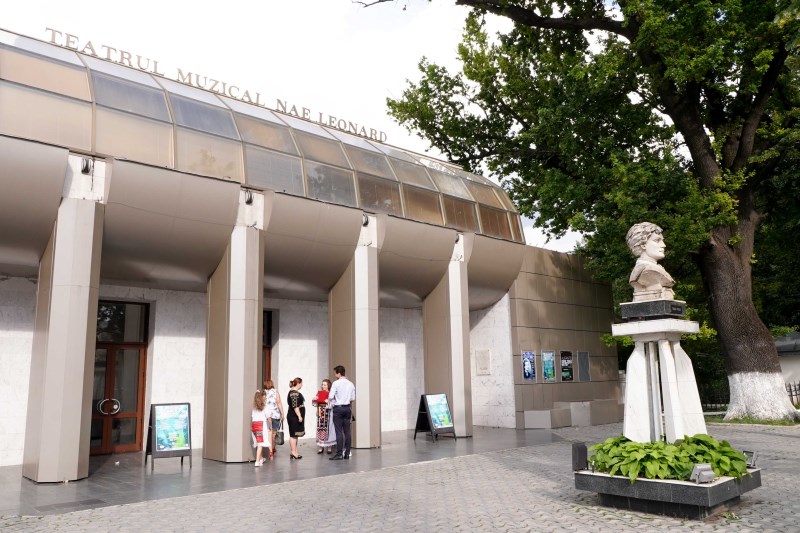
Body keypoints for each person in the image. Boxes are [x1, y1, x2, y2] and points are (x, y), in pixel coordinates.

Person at [625, 222, 675, 301]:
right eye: (657, 240)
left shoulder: (656, 268)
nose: (663, 245)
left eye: (662, 241)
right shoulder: (644, 270)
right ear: (643, 245)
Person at [327, 365, 355, 461]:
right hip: (347, 408)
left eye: (335, 373)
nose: (335, 375)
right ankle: (347, 453)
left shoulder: (336, 383)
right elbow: (352, 398)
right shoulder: (351, 384)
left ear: (338, 373)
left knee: (339, 432)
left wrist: (335, 400)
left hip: (338, 409)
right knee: (347, 432)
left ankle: (339, 453)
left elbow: (330, 396)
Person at [313, 379, 336, 454]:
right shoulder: (319, 393)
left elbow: (333, 404)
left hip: (328, 413)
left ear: (328, 385)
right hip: (320, 412)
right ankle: (321, 446)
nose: (323, 386)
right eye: (322, 384)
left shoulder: (331, 394)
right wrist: (314, 400)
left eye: (325, 385)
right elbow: (315, 404)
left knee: (328, 429)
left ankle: (329, 447)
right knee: (320, 428)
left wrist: (328, 402)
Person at [263, 379, 284, 459]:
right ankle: (272, 449)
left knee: (269, 433)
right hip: (275, 415)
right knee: (274, 433)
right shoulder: (275, 392)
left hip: (266, 415)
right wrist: (282, 413)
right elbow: (279, 403)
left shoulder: (263, 392)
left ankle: (270, 451)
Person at [286, 377, 305, 460]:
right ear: (298, 383)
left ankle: (295, 451)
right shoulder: (294, 393)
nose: (302, 385)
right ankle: (293, 452)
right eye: (301, 383)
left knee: (295, 434)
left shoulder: (295, 392)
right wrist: (299, 416)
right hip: (293, 416)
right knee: (293, 435)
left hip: (294, 416)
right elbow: (295, 406)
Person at [250, 390, 270, 467]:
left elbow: (252, 417)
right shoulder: (264, 406)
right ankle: (257, 461)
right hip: (261, 426)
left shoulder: (254, 407)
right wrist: (270, 425)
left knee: (257, 443)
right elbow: (268, 417)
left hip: (254, 425)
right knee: (260, 444)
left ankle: (261, 458)